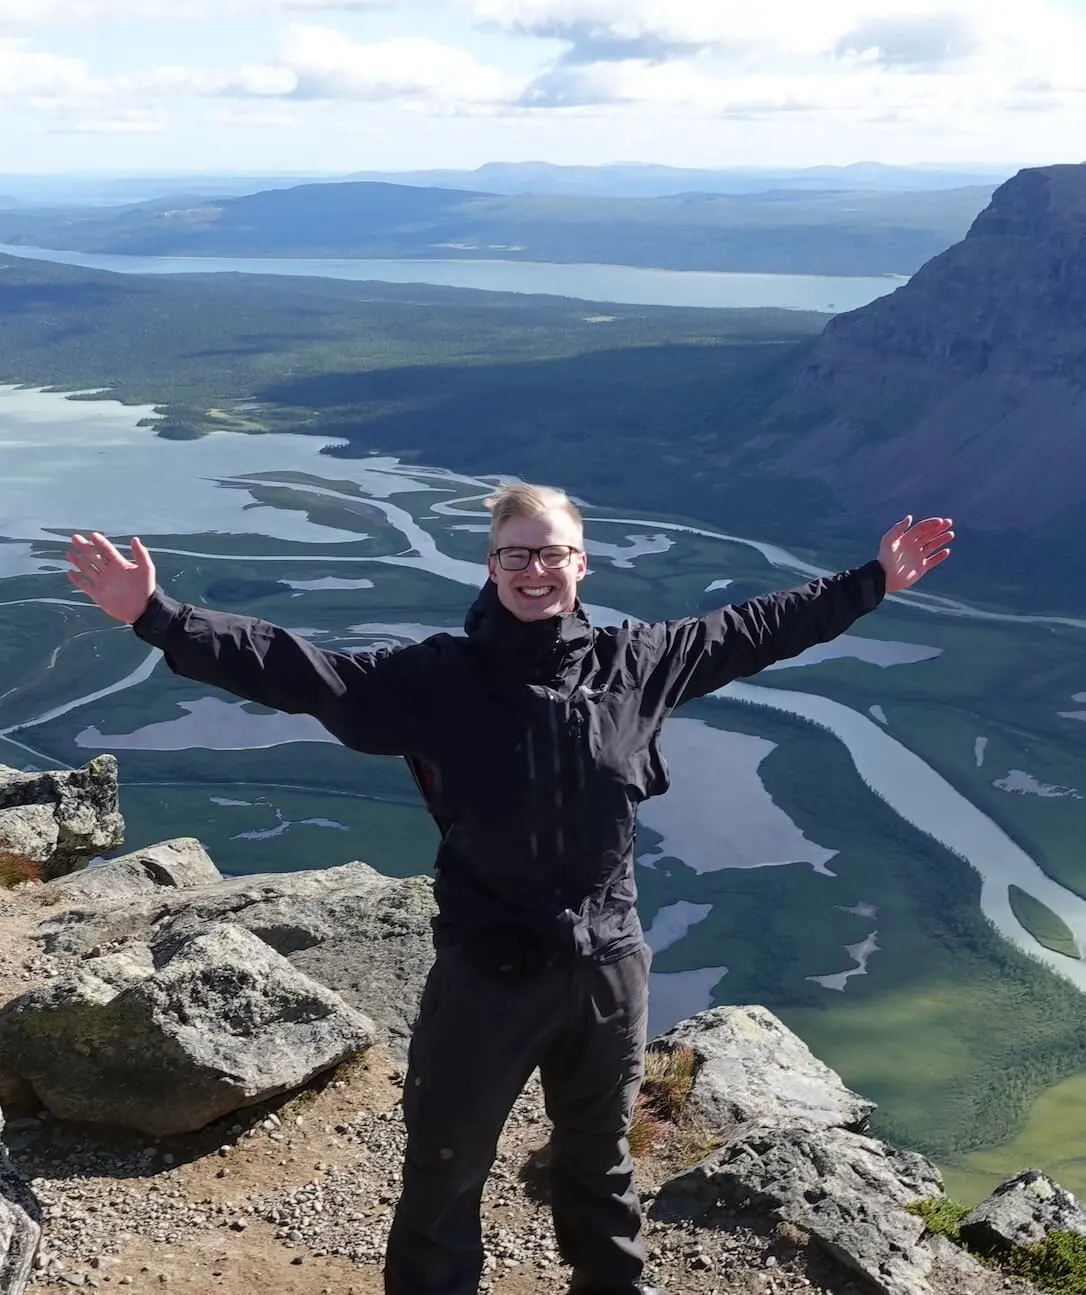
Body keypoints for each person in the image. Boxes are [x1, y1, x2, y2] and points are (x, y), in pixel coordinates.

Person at [66, 485, 953, 1295]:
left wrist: (873, 579)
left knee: (598, 1161)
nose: (535, 570)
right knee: (447, 1163)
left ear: (582, 562)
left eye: (552, 552)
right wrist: (157, 616)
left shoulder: (636, 663)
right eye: (516, 554)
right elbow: (299, 670)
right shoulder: (439, 679)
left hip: (607, 966)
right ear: (490, 566)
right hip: (489, 971)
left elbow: (757, 625)